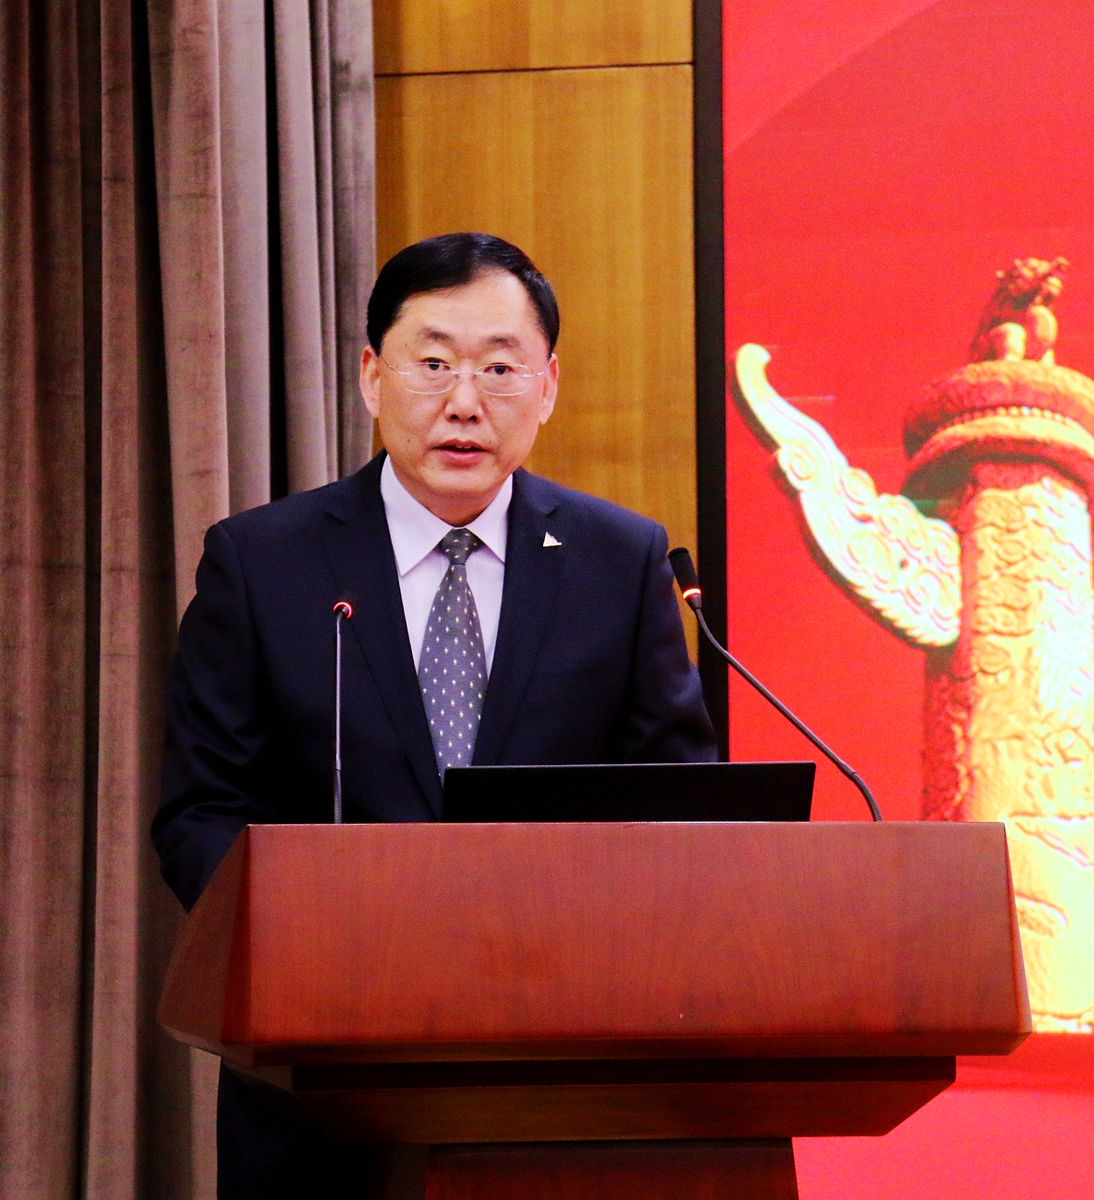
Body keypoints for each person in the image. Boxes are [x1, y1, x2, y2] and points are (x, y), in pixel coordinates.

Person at [153, 232, 717, 1197]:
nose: (465, 401)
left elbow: (680, 811)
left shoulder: (619, 562)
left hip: (558, 1077)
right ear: (373, 377)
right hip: (321, 1078)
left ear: (547, 386)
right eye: (433, 363)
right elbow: (200, 813)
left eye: (500, 367)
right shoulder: (262, 563)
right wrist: (315, 936)